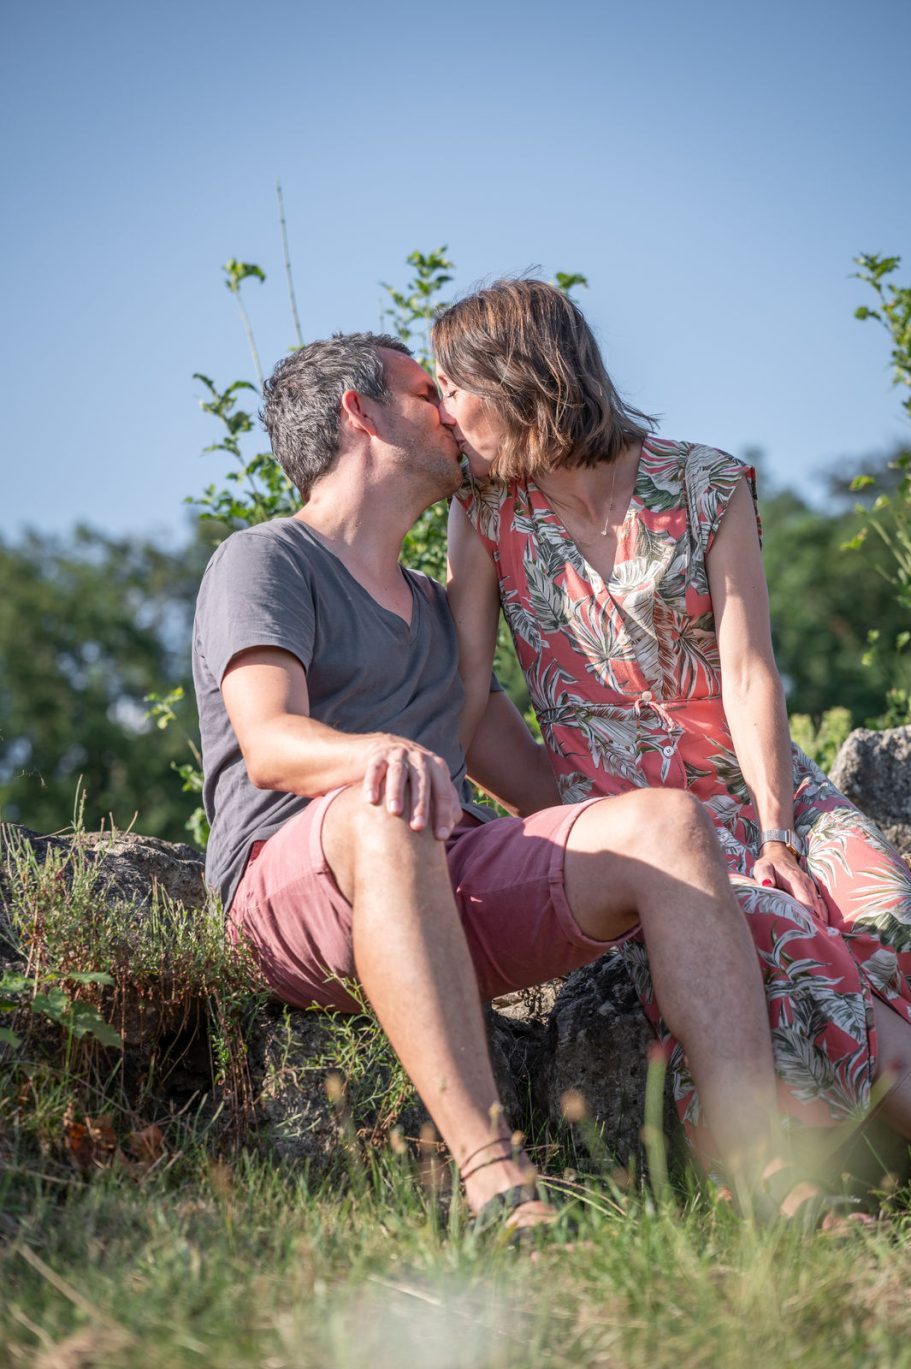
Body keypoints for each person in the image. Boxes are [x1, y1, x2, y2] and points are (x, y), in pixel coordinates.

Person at [193, 331, 805, 1232]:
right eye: (422, 393)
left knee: (663, 826)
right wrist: (375, 755)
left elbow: (544, 798)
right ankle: (493, 1176)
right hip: (290, 885)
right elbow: (271, 740)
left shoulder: (440, 612)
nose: (452, 411)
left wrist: (687, 857)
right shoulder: (267, 559)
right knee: (382, 812)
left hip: (441, 872)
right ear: (357, 414)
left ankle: (760, 1171)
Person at [435, 277, 911, 1150]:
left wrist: (777, 834)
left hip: (767, 792)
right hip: (646, 830)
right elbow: (468, 689)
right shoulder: (483, 513)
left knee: (883, 909)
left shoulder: (706, 481)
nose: (444, 409)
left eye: (453, 385)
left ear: (515, 376)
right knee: (785, 936)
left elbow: (749, 670)